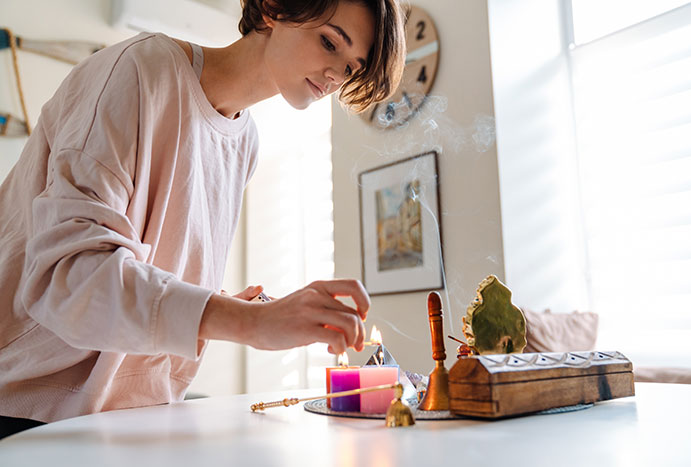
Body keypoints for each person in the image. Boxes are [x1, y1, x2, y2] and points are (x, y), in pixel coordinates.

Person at [0, 0, 405, 439]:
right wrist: (246, 321)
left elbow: (145, 276)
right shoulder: (141, 71)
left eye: (350, 68)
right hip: (29, 410)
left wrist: (231, 305)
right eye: (329, 42)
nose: (334, 77)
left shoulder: (244, 143)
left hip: (135, 416)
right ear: (272, 9)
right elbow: (69, 278)